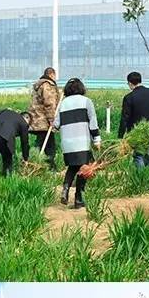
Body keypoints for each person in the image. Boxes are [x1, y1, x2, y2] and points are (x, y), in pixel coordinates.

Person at [53, 77, 101, 209]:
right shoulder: (86, 102)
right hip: (82, 141)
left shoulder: (62, 104)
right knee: (83, 169)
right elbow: (93, 123)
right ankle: (79, 198)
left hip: (67, 142)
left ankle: (65, 188)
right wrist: (97, 139)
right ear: (81, 88)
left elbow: (56, 125)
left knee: (72, 167)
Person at [0, 109, 30, 178]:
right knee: (7, 161)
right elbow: (25, 143)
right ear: (26, 118)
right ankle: (6, 180)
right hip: (4, 137)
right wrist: (26, 158)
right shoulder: (23, 122)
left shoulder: (6, 111)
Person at [28, 67, 59, 170]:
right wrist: (51, 120)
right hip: (44, 121)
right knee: (49, 145)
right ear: (51, 74)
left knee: (41, 142)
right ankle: (49, 166)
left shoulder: (38, 85)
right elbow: (49, 103)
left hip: (36, 120)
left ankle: (38, 162)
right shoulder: (47, 85)